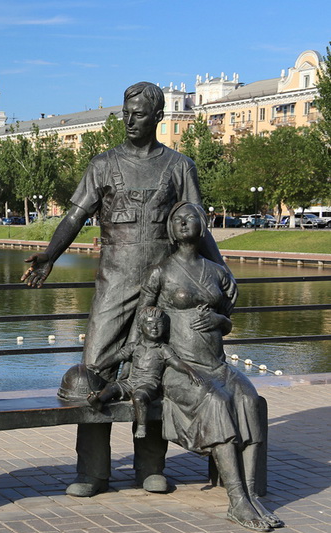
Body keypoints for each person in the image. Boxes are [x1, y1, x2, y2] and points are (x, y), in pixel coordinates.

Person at [21, 81, 231, 497]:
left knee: (154, 370)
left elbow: (197, 226)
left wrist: (222, 273)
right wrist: (50, 255)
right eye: (125, 111)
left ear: (158, 117)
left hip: (164, 286)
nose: (129, 119)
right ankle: (93, 470)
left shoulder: (179, 166)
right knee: (93, 370)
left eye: (138, 113)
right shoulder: (102, 164)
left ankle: (151, 466)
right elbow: (76, 216)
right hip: (114, 283)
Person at [139, 201, 280, 531]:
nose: (184, 223)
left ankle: (251, 493)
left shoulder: (217, 272)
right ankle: (238, 500)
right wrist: (150, 363)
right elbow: (142, 320)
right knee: (216, 404)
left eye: (191, 218)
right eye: (177, 220)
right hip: (179, 367)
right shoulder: (161, 271)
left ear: (203, 226)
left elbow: (228, 323)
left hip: (216, 365)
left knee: (249, 401)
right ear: (171, 231)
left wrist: (218, 318)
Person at [86, 306, 204, 439]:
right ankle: (99, 401)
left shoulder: (162, 349)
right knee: (112, 387)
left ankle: (142, 426)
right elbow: (117, 357)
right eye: (149, 323)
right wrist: (99, 367)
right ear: (140, 327)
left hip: (149, 384)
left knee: (138, 397)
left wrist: (191, 371)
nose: (154, 327)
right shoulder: (135, 346)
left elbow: (176, 362)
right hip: (130, 382)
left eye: (158, 324)